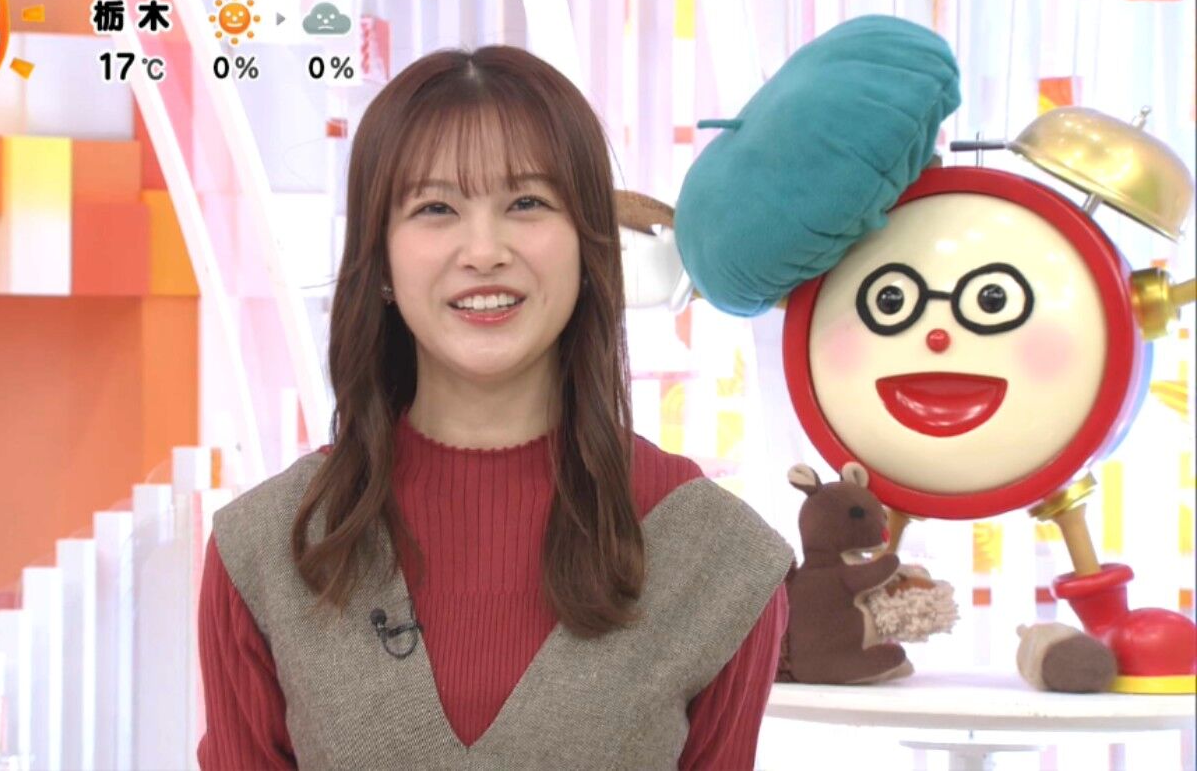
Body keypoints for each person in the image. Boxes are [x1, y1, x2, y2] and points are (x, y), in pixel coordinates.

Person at [197, 45, 793, 770]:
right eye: (435, 208)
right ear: (380, 258)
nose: (483, 251)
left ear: (590, 247)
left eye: (527, 204)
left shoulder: (718, 558)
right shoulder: (267, 548)